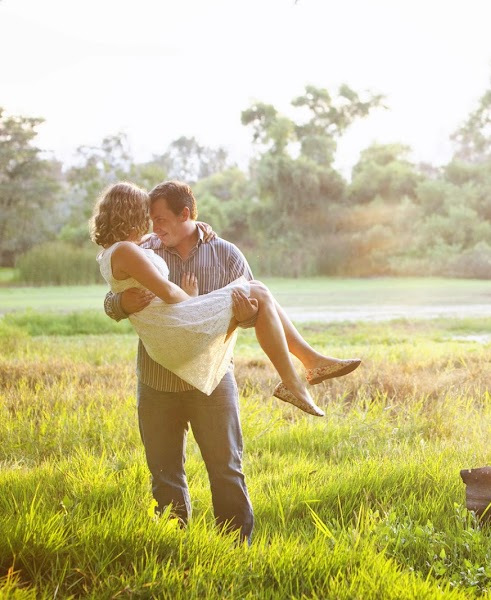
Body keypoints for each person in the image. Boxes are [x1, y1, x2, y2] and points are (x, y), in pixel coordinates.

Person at [95, 180, 359, 543]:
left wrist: (247, 314)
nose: (154, 227)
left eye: (160, 219)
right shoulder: (145, 246)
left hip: (213, 377)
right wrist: (122, 304)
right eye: (150, 219)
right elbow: (112, 296)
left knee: (227, 470)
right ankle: (173, 545)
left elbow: (257, 319)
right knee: (164, 473)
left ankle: (236, 547)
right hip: (159, 379)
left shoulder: (226, 255)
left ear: (186, 214)